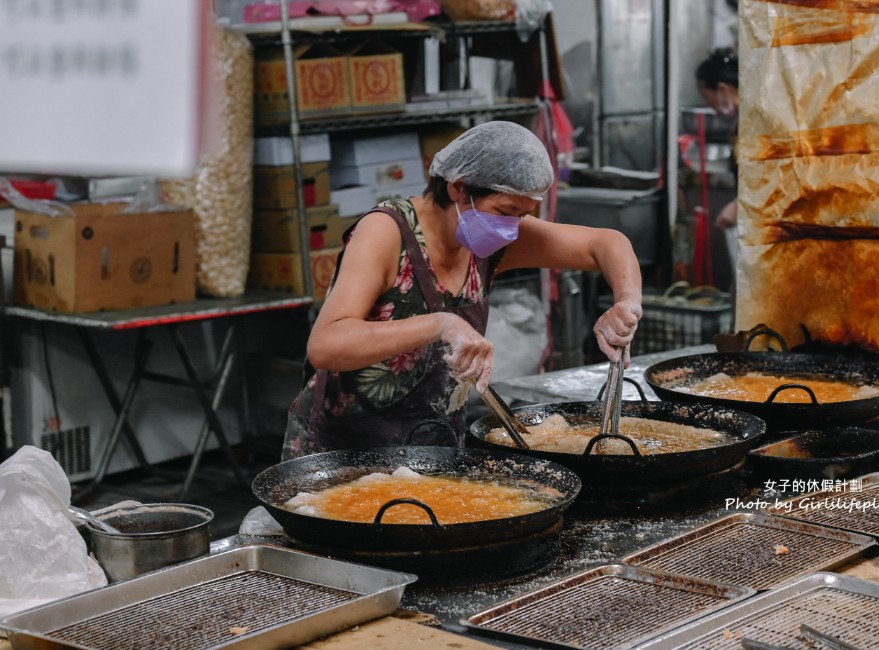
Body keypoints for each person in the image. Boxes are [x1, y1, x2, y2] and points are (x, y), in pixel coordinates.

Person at [281, 121, 643, 459]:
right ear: (458, 187)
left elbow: (607, 243)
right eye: (505, 210)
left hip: (433, 450)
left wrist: (626, 304)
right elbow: (326, 344)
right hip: (342, 453)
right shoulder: (386, 232)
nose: (513, 227)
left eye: (522, 214)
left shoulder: (492, 238)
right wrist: (439, 325)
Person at [695, 47, 740, 233]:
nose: (711, 108)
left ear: (722, 89)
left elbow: (773, 174)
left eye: (707, 98)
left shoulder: (757, 121)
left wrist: (738, 206)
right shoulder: (740, 122)